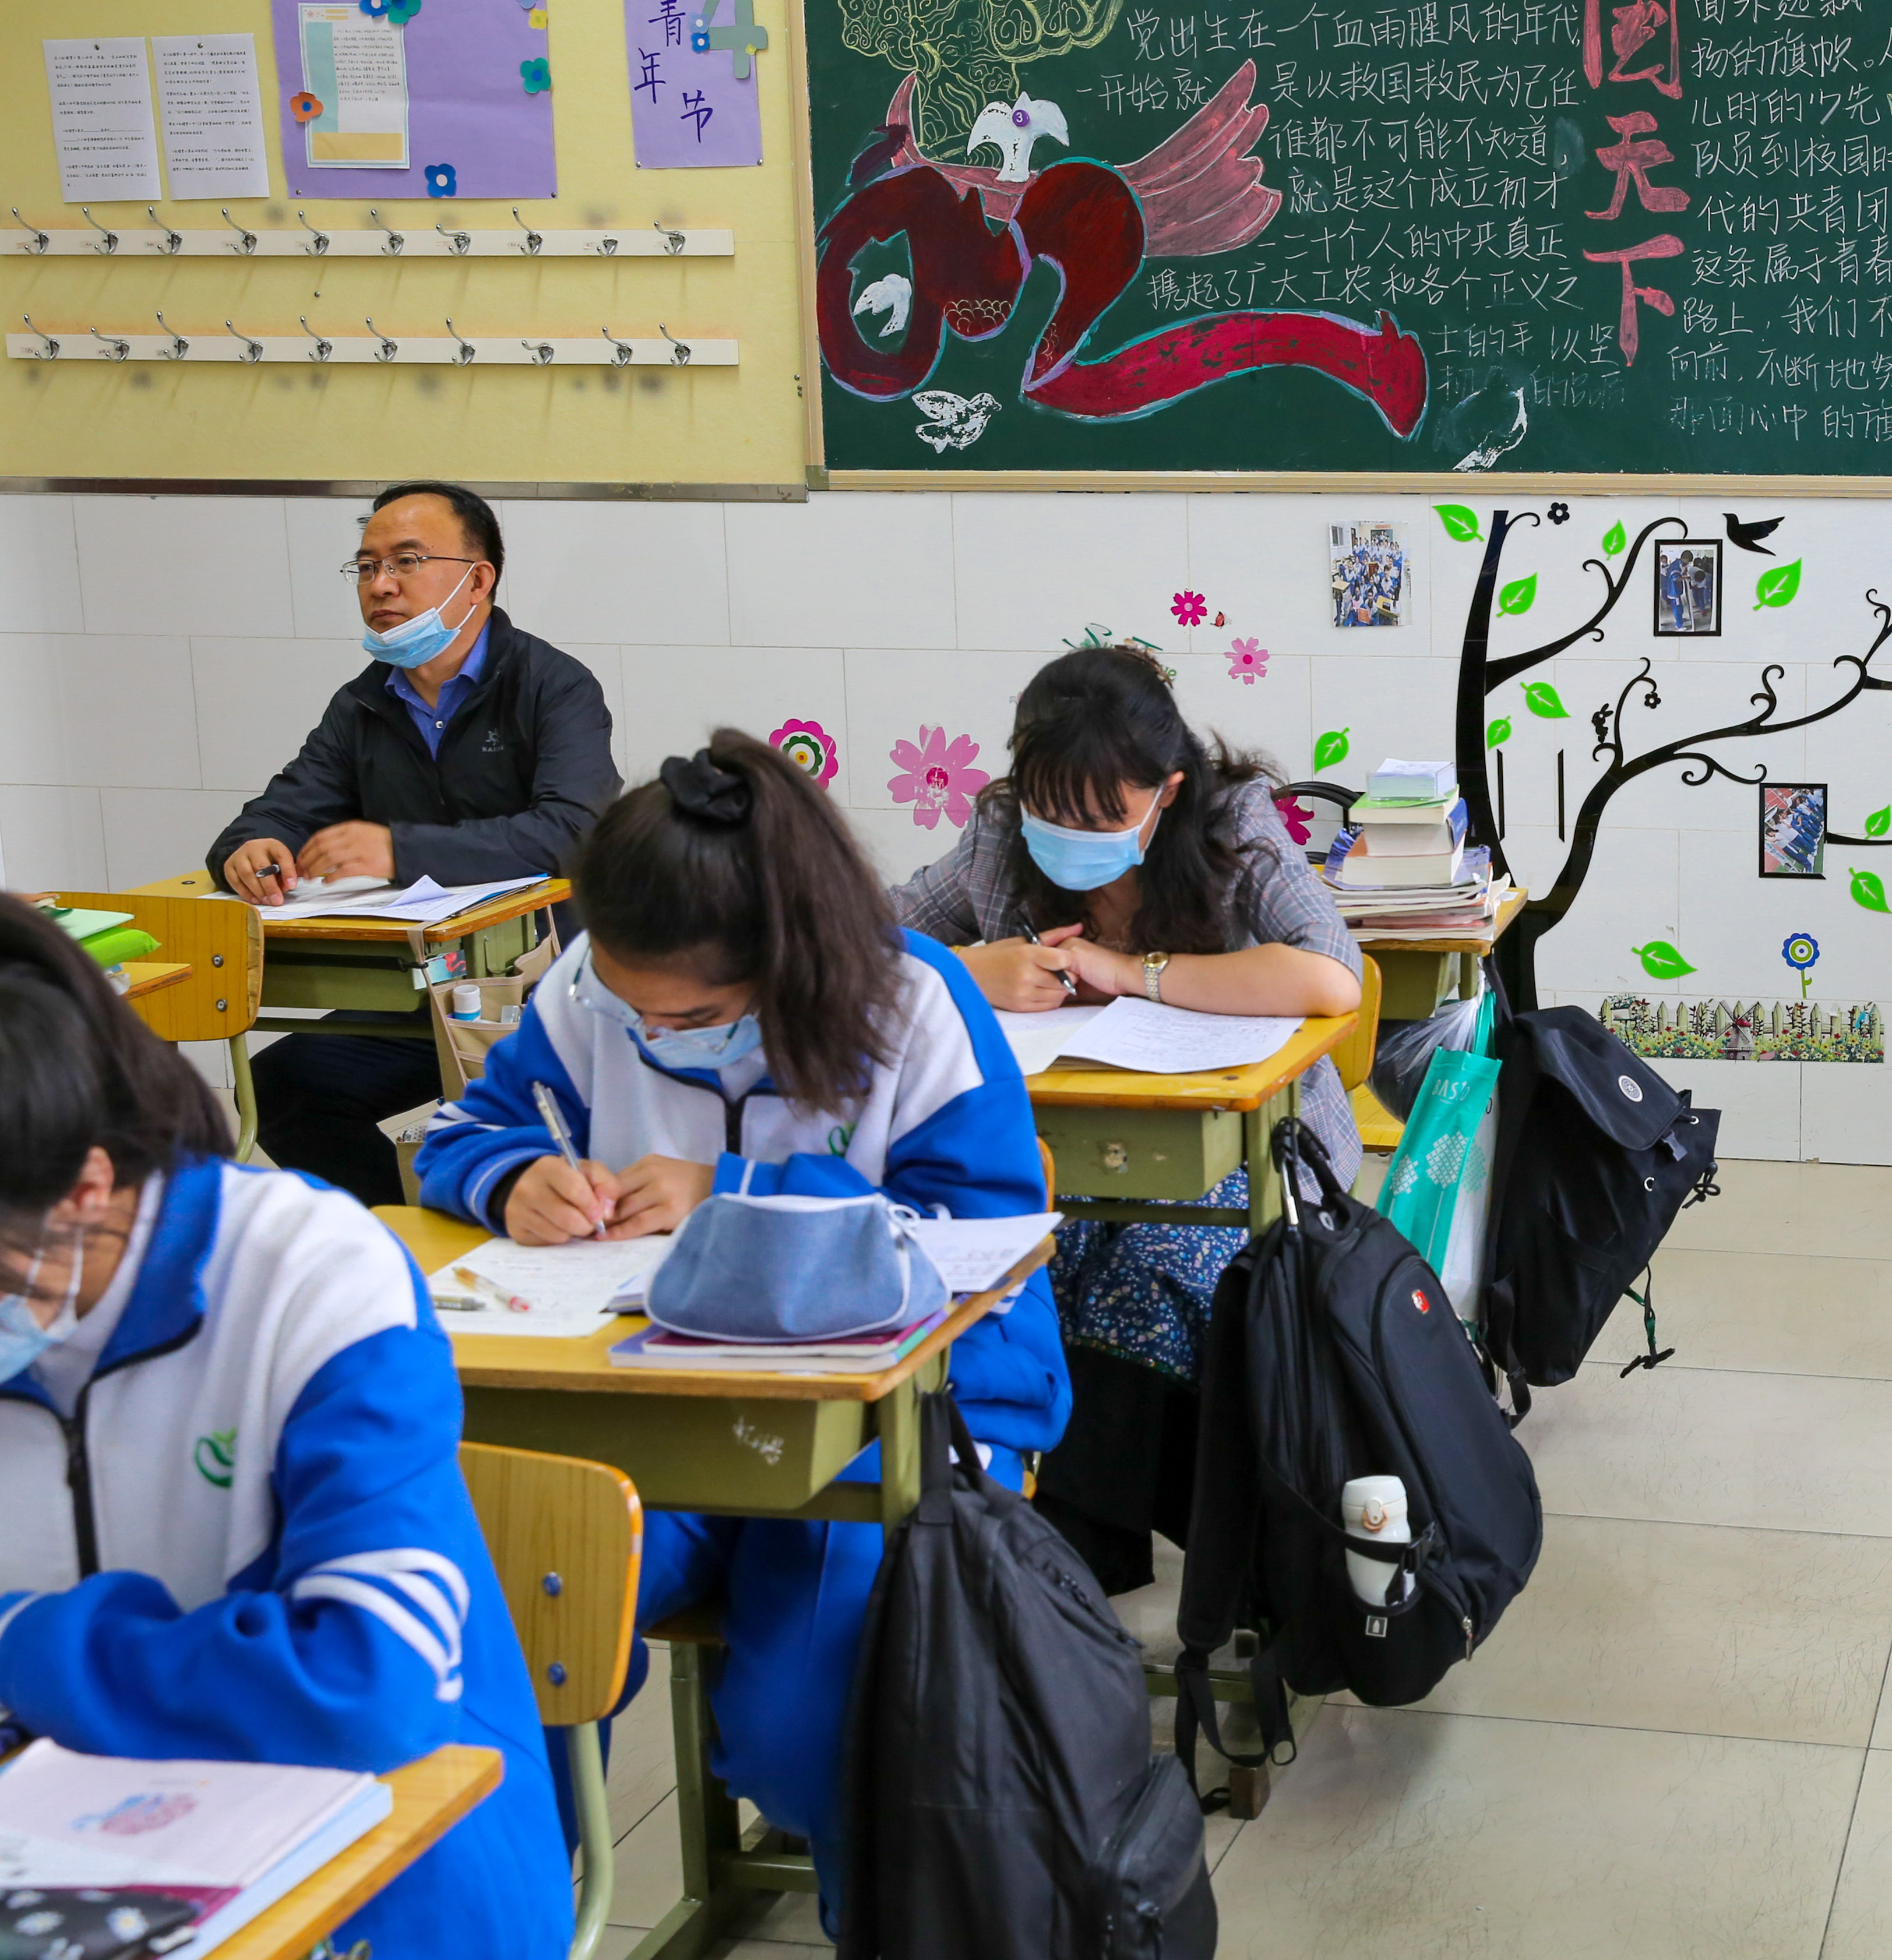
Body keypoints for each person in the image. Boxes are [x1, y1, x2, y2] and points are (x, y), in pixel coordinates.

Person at [414, 731, 1067, 1915]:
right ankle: (511, 1909)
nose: (652, 1032)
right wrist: (513, 1178)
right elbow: (468, 1132)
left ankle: (889, 1916)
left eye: (695, 1013)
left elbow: (984, 1247)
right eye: (630, 1007)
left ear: (784, 958)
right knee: (514, 1609)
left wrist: (735, 1192)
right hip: (659, 1408)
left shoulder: (913, 1000)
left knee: (804, 1727)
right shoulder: (591, 989)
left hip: (907, 1416)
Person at [0, 896, 568, 1960]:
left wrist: (21, 1644)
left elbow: (363, 1686)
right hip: (61, 1859)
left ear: (84, 1191)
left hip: (376, 1871)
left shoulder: (306, 1274)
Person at [887, 643, 1363, 1595]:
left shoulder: (1233, 823)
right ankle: (1068, 1564)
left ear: (1167, 792)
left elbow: (1329, 973)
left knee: (1148, 1272)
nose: (1070, 833)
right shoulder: (998, 836)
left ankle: (1168, 1562)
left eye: (1102, 816)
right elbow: (864, 934)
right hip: (1065, 1150)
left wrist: (1131, 972)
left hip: (1252, 1153)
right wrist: (969, 968)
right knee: (1024, 1264)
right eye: (1050, 808)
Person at [206, 482, 621, 1208]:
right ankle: (411, 1227)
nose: (381, 585)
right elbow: (277, 811)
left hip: (550, 991)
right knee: (281, 1090)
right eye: (366, 567)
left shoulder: (553, 687)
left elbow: (573, 832)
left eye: (406, 561)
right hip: (421, 991)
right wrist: (251, 845)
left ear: (477, 580)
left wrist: (400, 850)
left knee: (523, 1127)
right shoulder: (364, 703)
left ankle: (486, 1211)